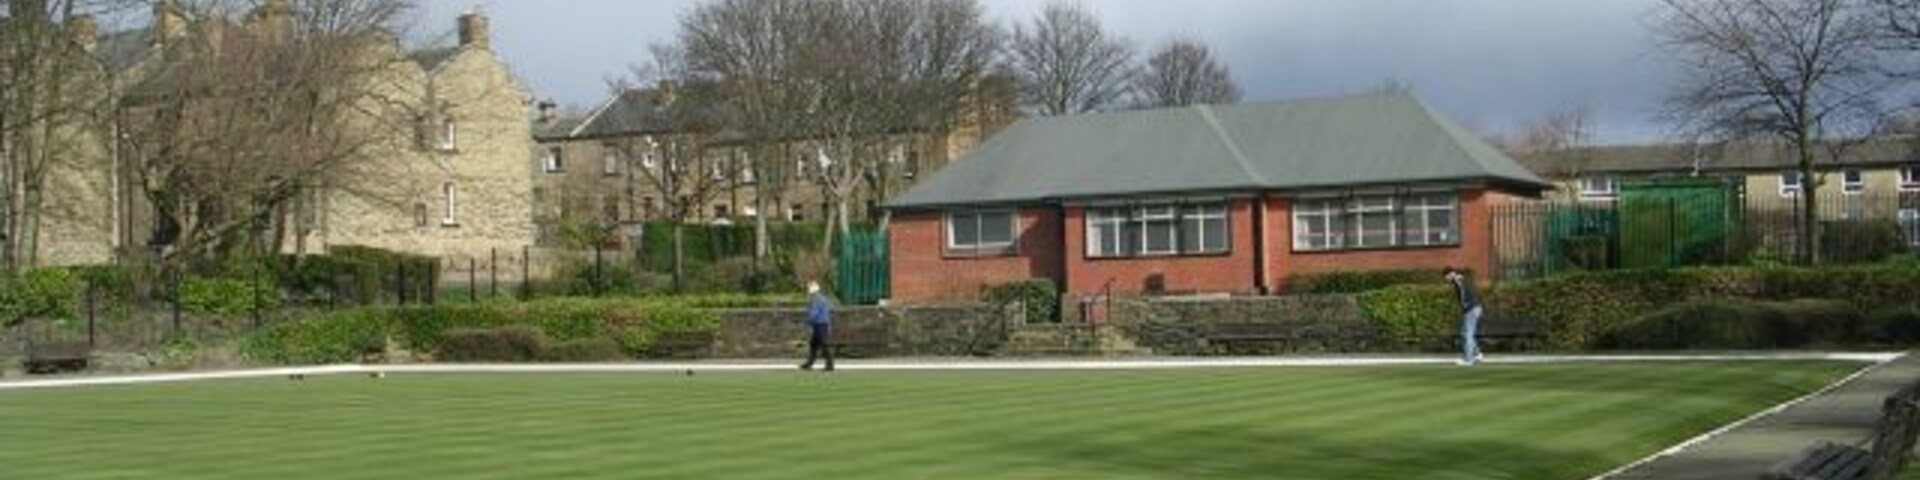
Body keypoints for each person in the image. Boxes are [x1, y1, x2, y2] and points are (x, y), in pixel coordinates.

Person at [1445, 267, 1483, 366]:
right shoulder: (1463, 279)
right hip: (1475, 308)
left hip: (1471, 308)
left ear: (1451, 274)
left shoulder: (1458, 280)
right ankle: (1477, 354)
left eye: (1447, 277)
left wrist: (1464, 305)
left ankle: (1468, 359)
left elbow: (1462, 293)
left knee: (1467, 334)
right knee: (1464, 333)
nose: (1447, 280)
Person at [800, 281, 835, 372]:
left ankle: (829, 365)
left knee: (824, 345)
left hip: (820, 324)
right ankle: (810, 363)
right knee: (814, 344)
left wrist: (808, 320)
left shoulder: (817, 299)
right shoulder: (822, 298)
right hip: (822, 324)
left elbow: (814, 313)